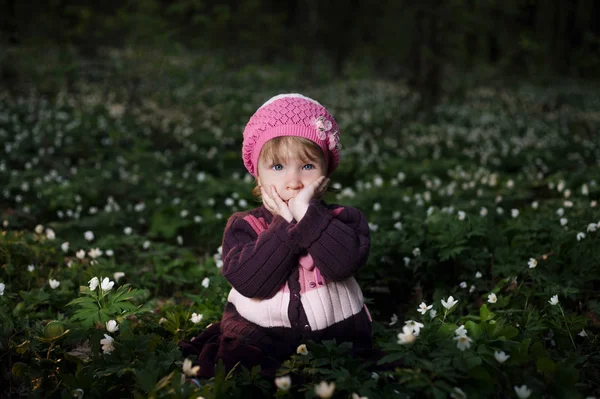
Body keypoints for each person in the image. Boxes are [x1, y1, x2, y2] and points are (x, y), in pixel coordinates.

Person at [179, 93, 373, 381]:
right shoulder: (245, 226)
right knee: (242, 369)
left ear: (326, 172)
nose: (293, 181)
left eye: (307, 166)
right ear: (258, 176)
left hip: (336, 338)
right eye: (278, 167)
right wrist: (284, 223)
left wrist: (308, 216)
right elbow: (252, 282)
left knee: (348, 373)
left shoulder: (345, 219)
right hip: (258, 337)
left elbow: (342, 265)